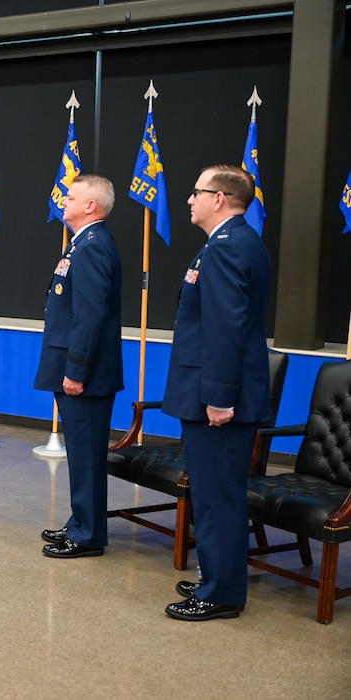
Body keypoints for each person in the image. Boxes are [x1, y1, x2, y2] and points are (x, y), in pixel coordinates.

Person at [162, 165, 271, 621]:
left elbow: (226, 329)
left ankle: (222, 593)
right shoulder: (232, 241)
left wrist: (220, 397)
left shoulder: (228, 247)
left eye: (197, 192)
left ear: (220, 198)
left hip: (219, 396)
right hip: (214, 388)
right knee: (211, 493)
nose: (190, 199)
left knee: (217, 496)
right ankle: (215, 576)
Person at [34, 174, 123, 558]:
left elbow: (89, 316)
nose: (63, 201)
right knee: (81, 454)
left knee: (86, 455)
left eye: (71, 197)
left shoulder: (93, 246)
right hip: (75, 366)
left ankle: (88, 535)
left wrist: (76, 370)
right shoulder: (82, 244)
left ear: (91, 206)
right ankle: (81, 522)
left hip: (85, 373)